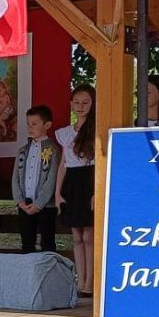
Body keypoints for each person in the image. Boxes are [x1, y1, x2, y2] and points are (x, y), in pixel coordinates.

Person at [55, 86, 97, 297]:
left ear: (93, 104)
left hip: (89, 180)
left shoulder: (96, 129)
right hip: (71, 182)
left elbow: (100, 163)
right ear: (71, 104)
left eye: (85, 102)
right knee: (77, 236)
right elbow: (63, 164)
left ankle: (91, 282)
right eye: (77, 102)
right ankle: (81, 281)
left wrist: (96, 191)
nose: (81, 106)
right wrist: (57, 192)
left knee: (89, 235)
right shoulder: (65, 133)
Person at [13, 105, 60, 254]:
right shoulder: (22, 151)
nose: (30, 127)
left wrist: (40, 203)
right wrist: (19, 200)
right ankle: (28, 269)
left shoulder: (53, 150)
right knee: (27, 243)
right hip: (25, 204)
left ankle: (48, 268)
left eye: (34, 124)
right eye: (28, 124)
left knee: (47, 242)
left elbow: (52, 178)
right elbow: (15, 177)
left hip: (46, 206)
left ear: (47, 125)